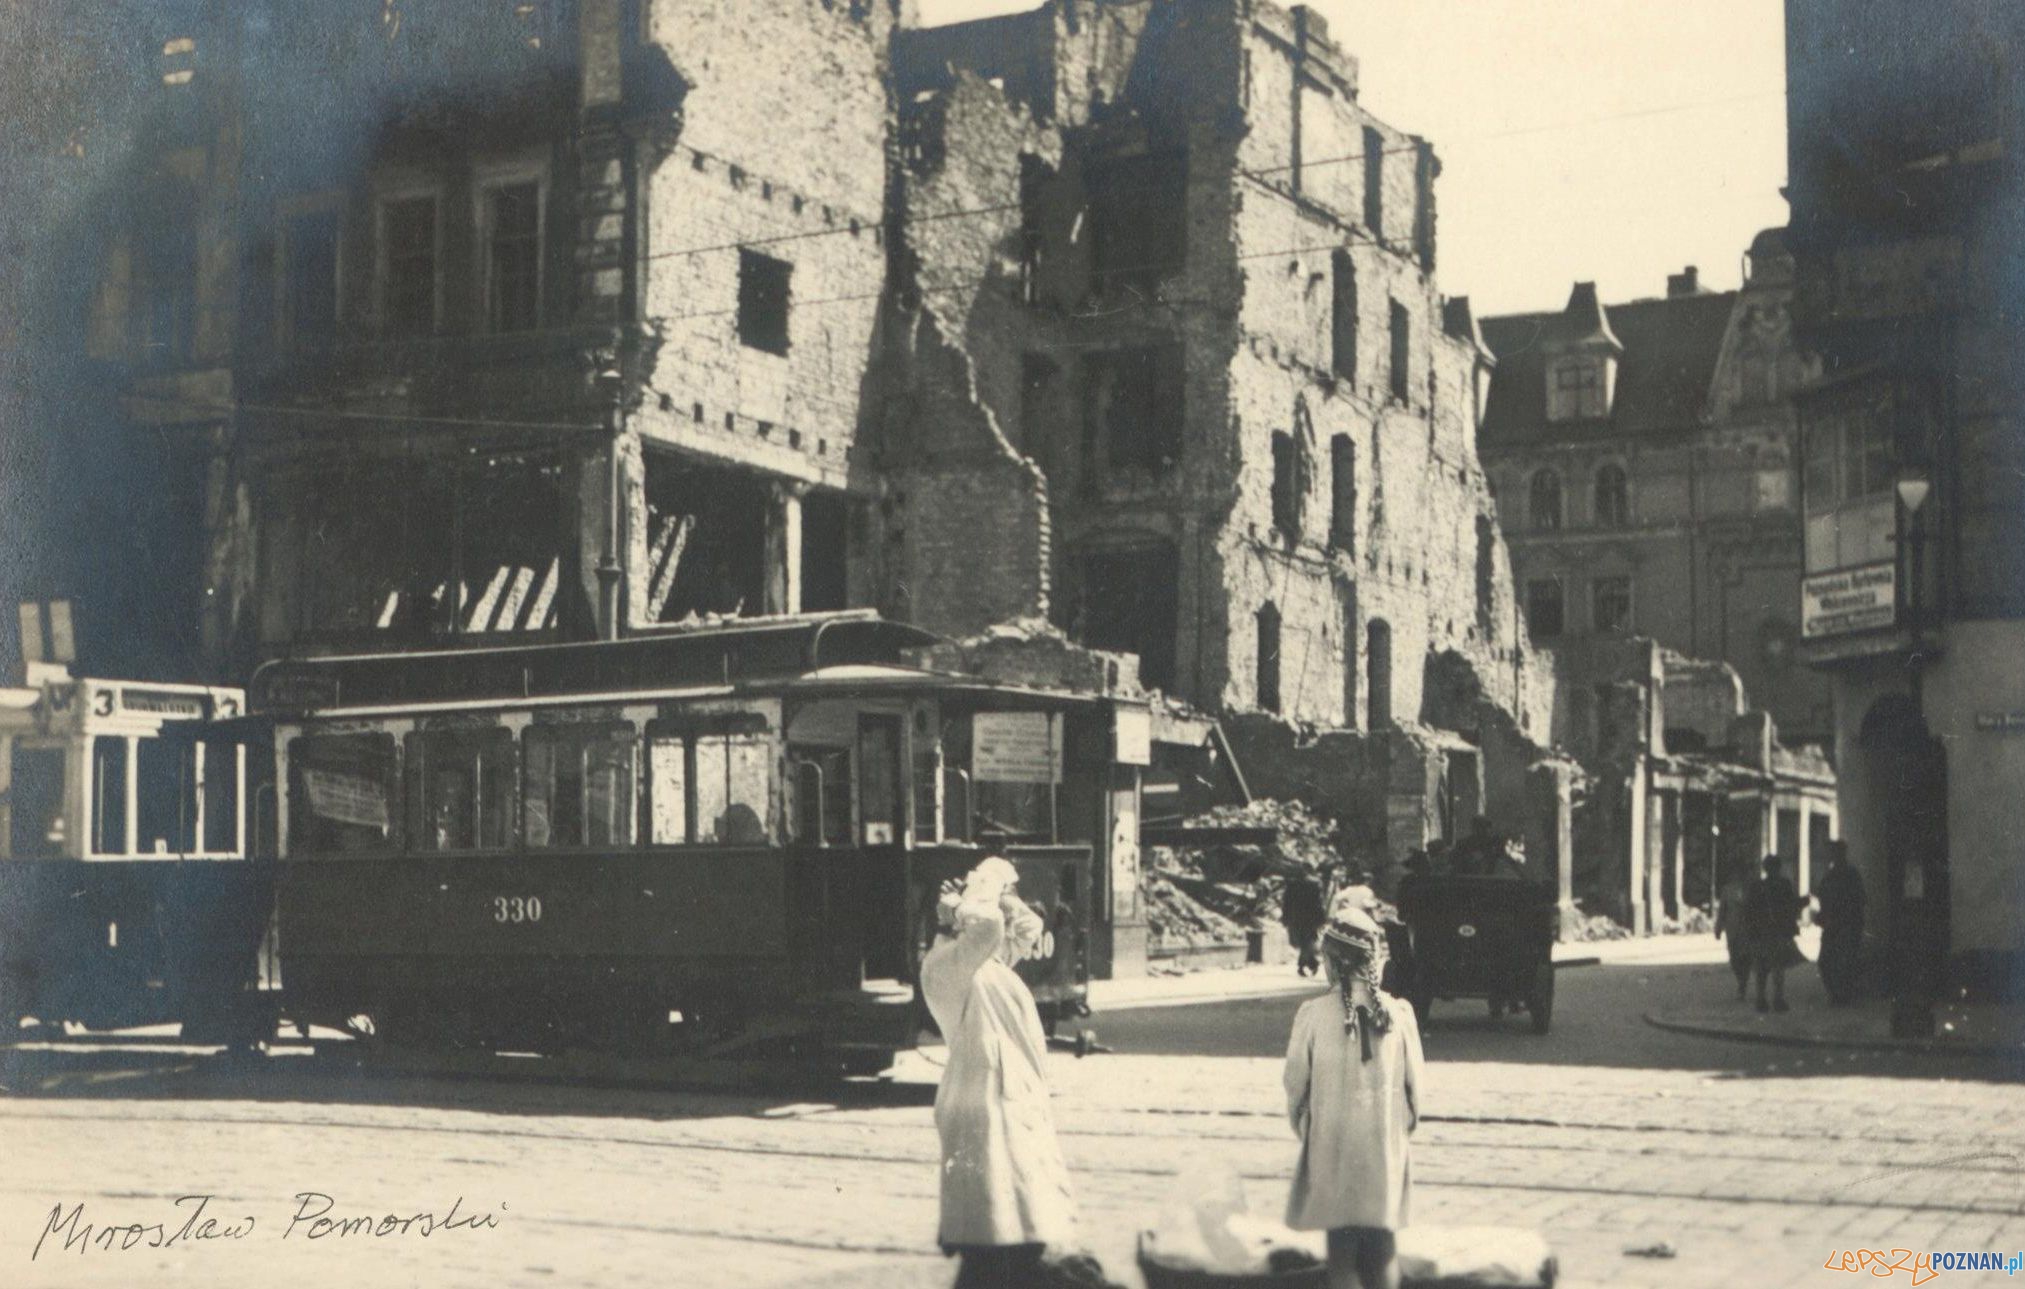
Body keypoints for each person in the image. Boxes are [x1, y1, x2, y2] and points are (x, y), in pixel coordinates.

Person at [920, 857, 1077, 1287]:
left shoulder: (987, 965)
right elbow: (987, 926)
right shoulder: (945, 967)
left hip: (1005, 1102)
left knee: (1013, 1231)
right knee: (995, 1238)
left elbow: (1027, 929)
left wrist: (1002, 891)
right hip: (983, 1107)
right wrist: (960, 905)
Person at [1284, 887, 1424, 1289]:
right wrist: (1399, 1128)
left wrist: (1309, 1128)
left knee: (1341, 1257)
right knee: (1383, 1254)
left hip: (1332, 1149)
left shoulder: (1311, 1016)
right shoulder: (1400, 1016)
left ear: (1330, 961)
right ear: (1375, 959)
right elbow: (1417, 1093)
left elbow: (1296, 1086)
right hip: (1383, 1148)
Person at [1743, 854, 1806, 1013]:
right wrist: (1803, 902)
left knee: (1762, 968)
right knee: (1777, 967)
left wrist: (1750, 930)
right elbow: (1791, 906)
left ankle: (1761, 1000)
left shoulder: (1757, 886)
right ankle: (1778, 999)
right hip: (1778, 932)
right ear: (1778, 868)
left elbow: (1748, 910)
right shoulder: (1784, 885)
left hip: (1760, 932)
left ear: (1765, 868)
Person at [1815, 842, 1866, 1006]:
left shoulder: (1851, 874)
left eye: (1835, 852)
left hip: (1847, 924)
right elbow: (1822, 895)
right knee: (1825, 961)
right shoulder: (1830, 874)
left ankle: (1843, 996)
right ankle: (1836, 995)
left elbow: (1860, 899)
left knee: (1845, 961)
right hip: (1832, 925)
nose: (1833, 856)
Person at [1713, 859, 1754, 1002]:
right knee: (1734, 959)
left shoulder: (1751, 888)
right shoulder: (1727, 890)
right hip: (1732, 930)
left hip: (1748, 930)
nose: (1739, 875)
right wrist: (1718, 928)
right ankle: (1741, 980)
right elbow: (1722, 910)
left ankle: (1742, 985)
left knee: (1746, 958)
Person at [1282, 870, 1327, 977]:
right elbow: (1318, 904)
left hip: (1296, 918)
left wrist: (1285, 917)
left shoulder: (1291, 886)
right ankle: (1311, 963)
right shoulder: (1313, 885)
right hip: (1310, 918)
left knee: (1303, 942)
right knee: (1307, 941)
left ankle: (1304, 965)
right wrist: (1321, 918)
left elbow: (1286, 903)